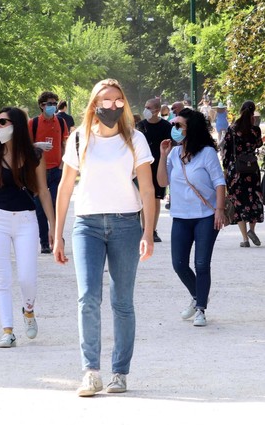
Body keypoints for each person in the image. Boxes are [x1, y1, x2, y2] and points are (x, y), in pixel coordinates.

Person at [53, 78, 155, 397]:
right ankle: (91, 372)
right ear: (94, 103)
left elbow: (149, 189)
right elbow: (65, 187)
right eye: (105, 100)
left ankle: (120, 373)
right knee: (88, 298)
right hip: (87, 224)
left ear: (124, 105)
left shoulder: (135, 139)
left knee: (122, 301)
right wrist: (57, 235)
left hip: (126, 224)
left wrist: (148, 232)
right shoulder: (80, 138)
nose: (111, 106)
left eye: (118, 101)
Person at [0, 107, 55, 348]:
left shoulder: (34, 155)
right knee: (2, 277)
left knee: (27, 276)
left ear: (16, 125)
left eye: (3, 122)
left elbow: (43, 192)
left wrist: (52, 225)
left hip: (26, 220)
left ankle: (28, 310)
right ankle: (7, 330)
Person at [157, 108, 227, 328]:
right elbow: (161, 182)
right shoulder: (174, 154)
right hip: (180, 216)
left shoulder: (207, 153)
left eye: (179, 125)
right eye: (174, 125)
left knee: (201, 263)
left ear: (191, 129)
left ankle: (201, 309)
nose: (174, 129)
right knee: (178, 264)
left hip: (206, 216)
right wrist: (163, 156)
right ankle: (198, 295)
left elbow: (219, 182)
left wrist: (219, 210)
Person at [28, 91, 70, 254]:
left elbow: (65, 143)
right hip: (39, 170)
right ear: (41, 105)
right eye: (49, 103)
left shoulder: (60, 122)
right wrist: (36, 145)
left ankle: (57, 235)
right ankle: (44, 241)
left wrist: (63, 163)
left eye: (54, 103)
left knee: (55, 204)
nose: (52, 106)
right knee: (39, 207)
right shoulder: (33, 123)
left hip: (56, 169)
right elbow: (25, 145)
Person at [222, 101, 264, 247]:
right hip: (251, 168)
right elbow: (258, 144)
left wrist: (226, 168)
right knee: (253, 199)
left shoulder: (232, 129)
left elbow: (226, 150)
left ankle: (245, 239)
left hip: (236, 169)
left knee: (238, 200)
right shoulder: (255, 130)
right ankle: (252, 229)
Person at [136, 96, 173, 242]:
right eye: (145, 106)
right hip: (142, 166)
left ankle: (152, 229)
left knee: (156, 198)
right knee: (142, 198)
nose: (146, 110)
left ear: (157, 110)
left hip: (159, 166)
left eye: (149, 107)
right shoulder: (140, 126)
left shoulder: (166, 127)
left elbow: (170, 147)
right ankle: (142, 228)